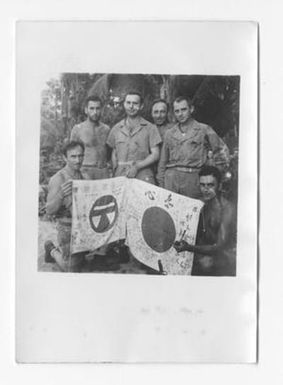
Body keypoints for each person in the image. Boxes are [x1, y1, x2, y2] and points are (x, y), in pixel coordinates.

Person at [157, 96, 230, 199]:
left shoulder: (203, 129)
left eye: (183, 109)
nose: (180, 114)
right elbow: (163, 161)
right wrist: (161, 183)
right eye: (177, 111)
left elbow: (222, 152)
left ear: (191, 109)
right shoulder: (169, 133)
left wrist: (215, 178)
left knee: (194, 213)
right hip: (171, 181)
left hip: (193, 179)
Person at [174, 166, 236, 276]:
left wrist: (188, 248)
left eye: (210, 185)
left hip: (220, 257)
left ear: (219, 186)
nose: (206, 189)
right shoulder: (198, 204)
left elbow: (219, 246)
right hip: (198, 253)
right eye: (202, 185)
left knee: (206, 265)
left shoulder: (227, 208)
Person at [44, 141, 86, 272]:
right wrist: (61, 195)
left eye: (80, 156)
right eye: (73, 156)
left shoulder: (83, 176)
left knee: (86, 259)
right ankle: (51, 249)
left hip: (82, 226)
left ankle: (79, 253)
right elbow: (49, 210)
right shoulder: (58, 179)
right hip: (66, 227)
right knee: (71, 268)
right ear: (65, 157)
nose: (78, 160)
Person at [107, 91, 162, 184]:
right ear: (124, 104)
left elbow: (155, 154)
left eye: (135, 103)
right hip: (121, 175)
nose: (131, 106)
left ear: (141, 106)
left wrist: (137, 166)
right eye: (128, 103)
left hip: (143, 174)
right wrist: (115, 169)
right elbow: (114, 152)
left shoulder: (150, 128)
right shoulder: (116, 128)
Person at [70, 95, 111, 180]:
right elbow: (71, 153)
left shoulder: (106, 129)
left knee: (105, 194)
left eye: (97, 108)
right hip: (85, 171)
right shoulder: (78, 129)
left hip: (102, 171)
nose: (95, 112)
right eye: (91, 108)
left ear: (101, 110)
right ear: (86, 110)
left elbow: (110, 152)